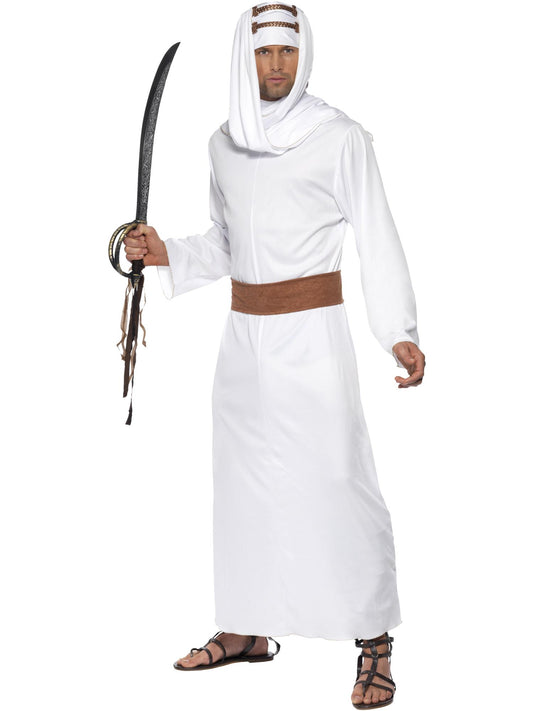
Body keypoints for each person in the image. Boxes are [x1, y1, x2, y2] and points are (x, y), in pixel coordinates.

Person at [124, 3, 425, 708]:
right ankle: (246, 627)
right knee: (243, 487)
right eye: (264, 52)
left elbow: (377, 235)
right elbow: (227, 244)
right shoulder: (223, 144)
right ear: (245, 57)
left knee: (337, 482)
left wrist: (398, 330)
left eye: (288, 50)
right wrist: (164, 251)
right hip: (243, 342)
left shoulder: (338, 137)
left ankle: (374, 641)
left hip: (313, 338)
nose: (278, 64)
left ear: (303, 52)